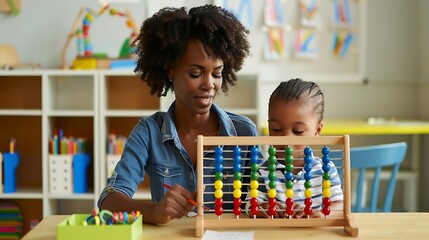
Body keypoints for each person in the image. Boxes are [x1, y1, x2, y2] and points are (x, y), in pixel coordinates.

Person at [98, 5, 258, 225]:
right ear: (171, 70)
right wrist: (153, 211)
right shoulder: (148, 132)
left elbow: (262, 197)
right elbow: (108, 200)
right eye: (196, 73)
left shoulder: (243, 133)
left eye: (217, 74)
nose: (209, 84)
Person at [245, 78, 343, 218]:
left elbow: (340, 206)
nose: (286, 140)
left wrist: (321, 214)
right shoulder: (263, 172)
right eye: (276, 129)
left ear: (317, 130)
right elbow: (250, 204)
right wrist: (260, 207)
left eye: (297, 131)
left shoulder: (325, 171)